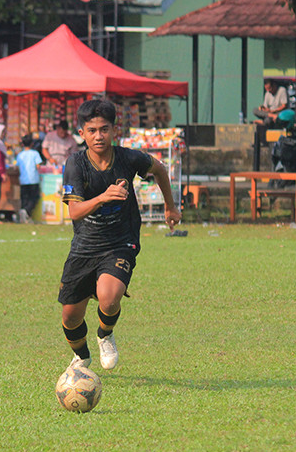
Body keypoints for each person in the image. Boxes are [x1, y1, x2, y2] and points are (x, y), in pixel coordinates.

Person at [57, 99, 180, 374]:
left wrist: (170, 207)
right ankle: (82, 356)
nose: (98, 136)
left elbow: (159, 169)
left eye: (104, 129)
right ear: (82, 133)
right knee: (70, 316)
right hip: (85, 246)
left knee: (109, 298)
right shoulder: (76, 164)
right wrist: (103, 197)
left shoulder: (128, 158)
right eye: (92, 131)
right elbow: (75, 212)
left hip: (120, 242)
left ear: (115, 130)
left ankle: (105, 334)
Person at [16, 133, 43, 224]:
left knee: (24, 198)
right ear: (32, 144)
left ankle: (24, 215)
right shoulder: (35, 154)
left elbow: (17, 167)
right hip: (33, 179)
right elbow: (38, 166)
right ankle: (26, 211)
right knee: (34, 197)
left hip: (23, 180)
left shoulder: (20, 155)